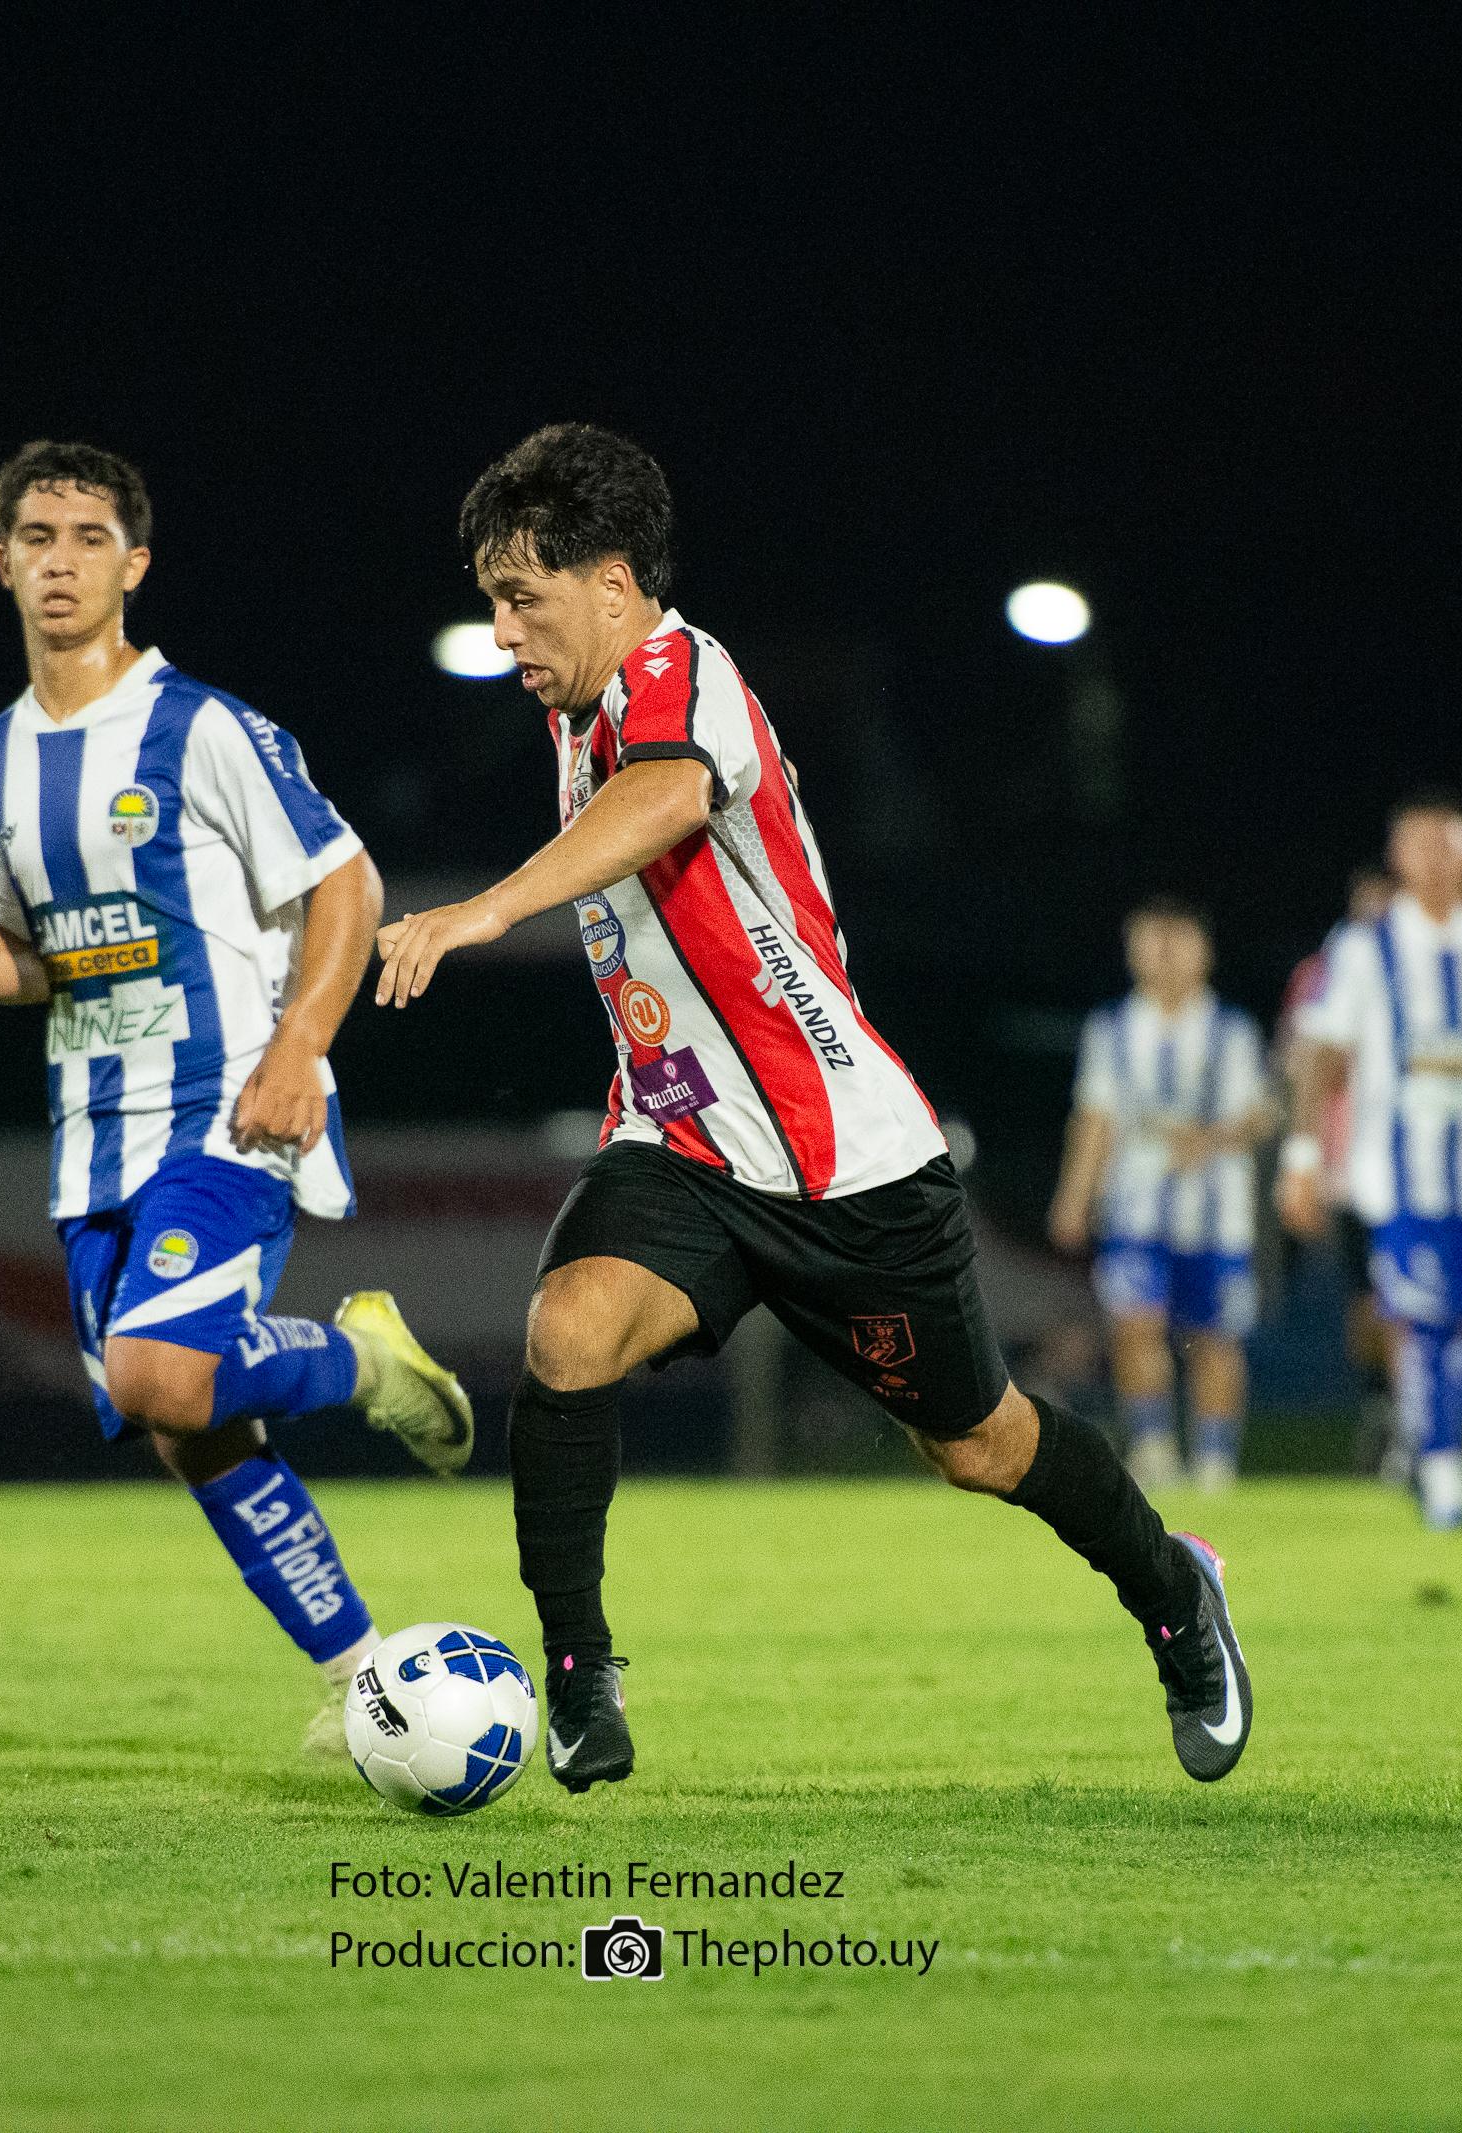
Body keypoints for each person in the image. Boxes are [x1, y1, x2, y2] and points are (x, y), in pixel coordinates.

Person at [372, 423, 1250, 1791]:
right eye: (491, 599)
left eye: (520, 598)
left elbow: (665, 800)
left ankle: (1175, 1594)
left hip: (848, 1165)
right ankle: (578, 1677)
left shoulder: (687, 673)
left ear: (612, 583)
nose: (499, 630)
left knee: (978, 1444)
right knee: (569, 1329)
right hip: (681, 1144)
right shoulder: (574, 708)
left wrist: (483, 910)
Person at [0, 440, 474, 1760]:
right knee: (179, 1423)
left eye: (90, 536)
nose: (63, 559)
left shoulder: (203, 727)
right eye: (38, 536)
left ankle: (363, 1361)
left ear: (133, 564)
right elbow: (31, 950)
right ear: (4, 562)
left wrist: (298, 1045)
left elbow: (346, 884)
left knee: (161, 1370)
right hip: (94, 1141)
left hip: (229, 1103)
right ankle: (363, 1676)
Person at [1281, 796, 1462, 1532]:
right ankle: (1439, 1471)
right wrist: (1304, 1156)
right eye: (1417, 845)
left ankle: (1426, 1421)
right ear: (1399, 858)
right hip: (1395, 1179)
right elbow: (1323, 1056)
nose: (1432, 859)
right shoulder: (1363, 948)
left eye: (1446, 843)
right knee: (1420, 1319)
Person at [1047, 898, 1276, 1494]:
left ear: (1204, 950)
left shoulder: (1232, 1030)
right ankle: (1153, 1448)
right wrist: (1075, 1194)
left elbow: (1260, 1115)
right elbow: (1094, 1117)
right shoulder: (1112, 1028)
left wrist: (1209, 1138)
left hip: (1217, 1215)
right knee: (1135, 1325)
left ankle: (1216, 1459)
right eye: (1152, 940)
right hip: (1134, 1207)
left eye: (1178, 940)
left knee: (1214, 1337)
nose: (1165, 954)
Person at [1281, 867, 1401, 1477]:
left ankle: (1416, 1420)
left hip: (1419, 1162)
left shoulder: (1425, 964)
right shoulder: (1323, 974)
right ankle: (1386, 1405)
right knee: (1369, 1298)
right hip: (1352, 1164)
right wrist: (1305, 1157)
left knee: (1416, 1296)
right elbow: (1299, 1059)